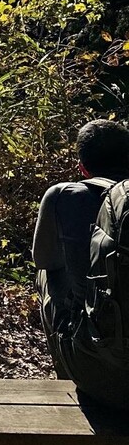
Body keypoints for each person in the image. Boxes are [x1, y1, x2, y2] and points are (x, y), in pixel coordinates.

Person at [33, 119, 129, 409]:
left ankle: (66, 375)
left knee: (46, 275)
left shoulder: (65, 196)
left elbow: (43, 259)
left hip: (104, 377)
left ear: (82, 168)